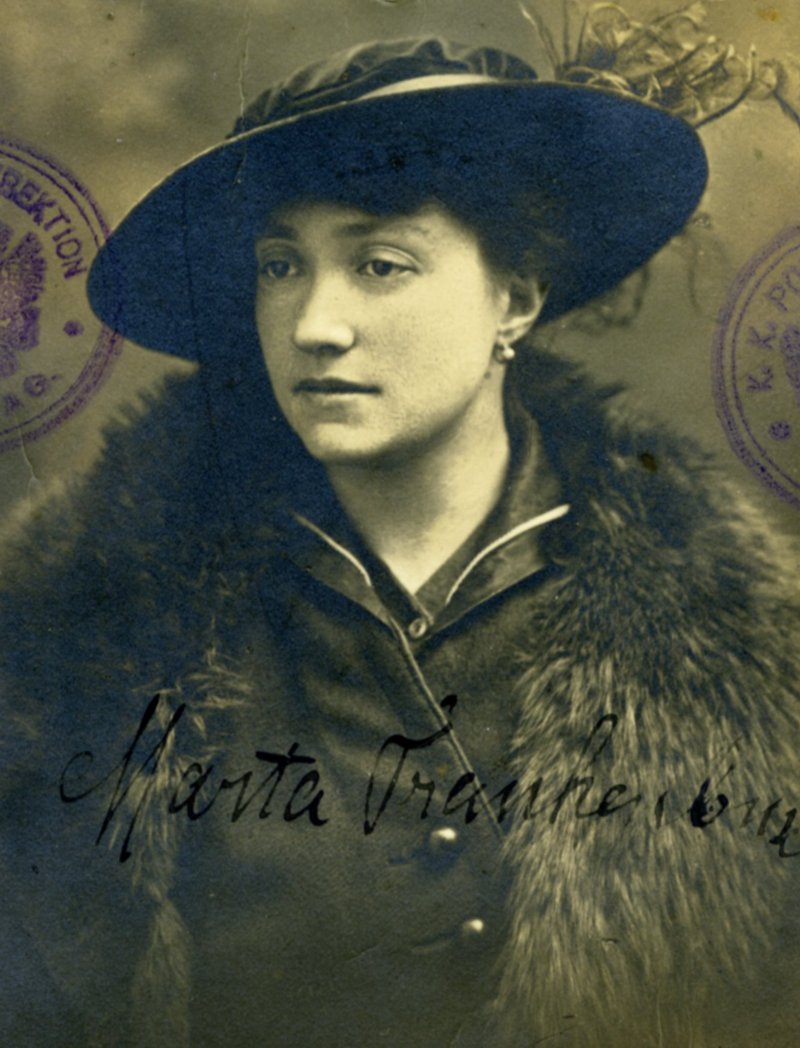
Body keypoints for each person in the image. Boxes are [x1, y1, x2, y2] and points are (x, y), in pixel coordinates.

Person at [2, 36, 799, 1048]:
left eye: (379, 264)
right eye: (281, 266)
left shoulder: (737, 638)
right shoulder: (73, 618)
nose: (314, 324)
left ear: (514, 298)